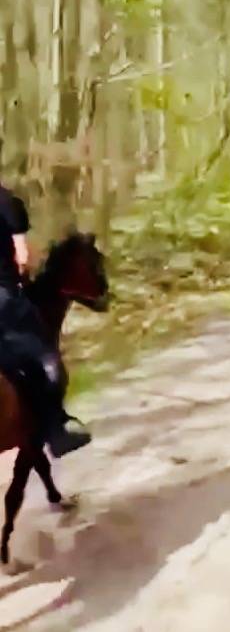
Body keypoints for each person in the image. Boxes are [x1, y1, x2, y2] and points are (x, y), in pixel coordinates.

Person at [0, 181, 91, 457]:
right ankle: (56, 431)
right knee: (47, 361)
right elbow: (23, 257)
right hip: (2, 299)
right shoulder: (6, 202)